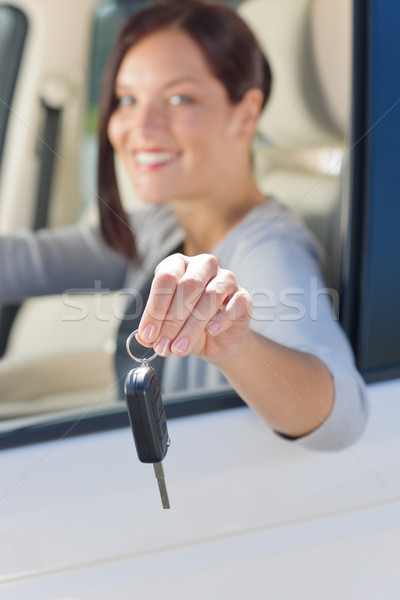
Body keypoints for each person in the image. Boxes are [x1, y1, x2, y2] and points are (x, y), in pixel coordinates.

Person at [0, 0, 367, 449]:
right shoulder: (159, 225)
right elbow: (19, 263)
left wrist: (235, 345)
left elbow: (341, 420)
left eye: (179, 98)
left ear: (247, 113)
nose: (142, 125)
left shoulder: (268, 247)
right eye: (128, 99)